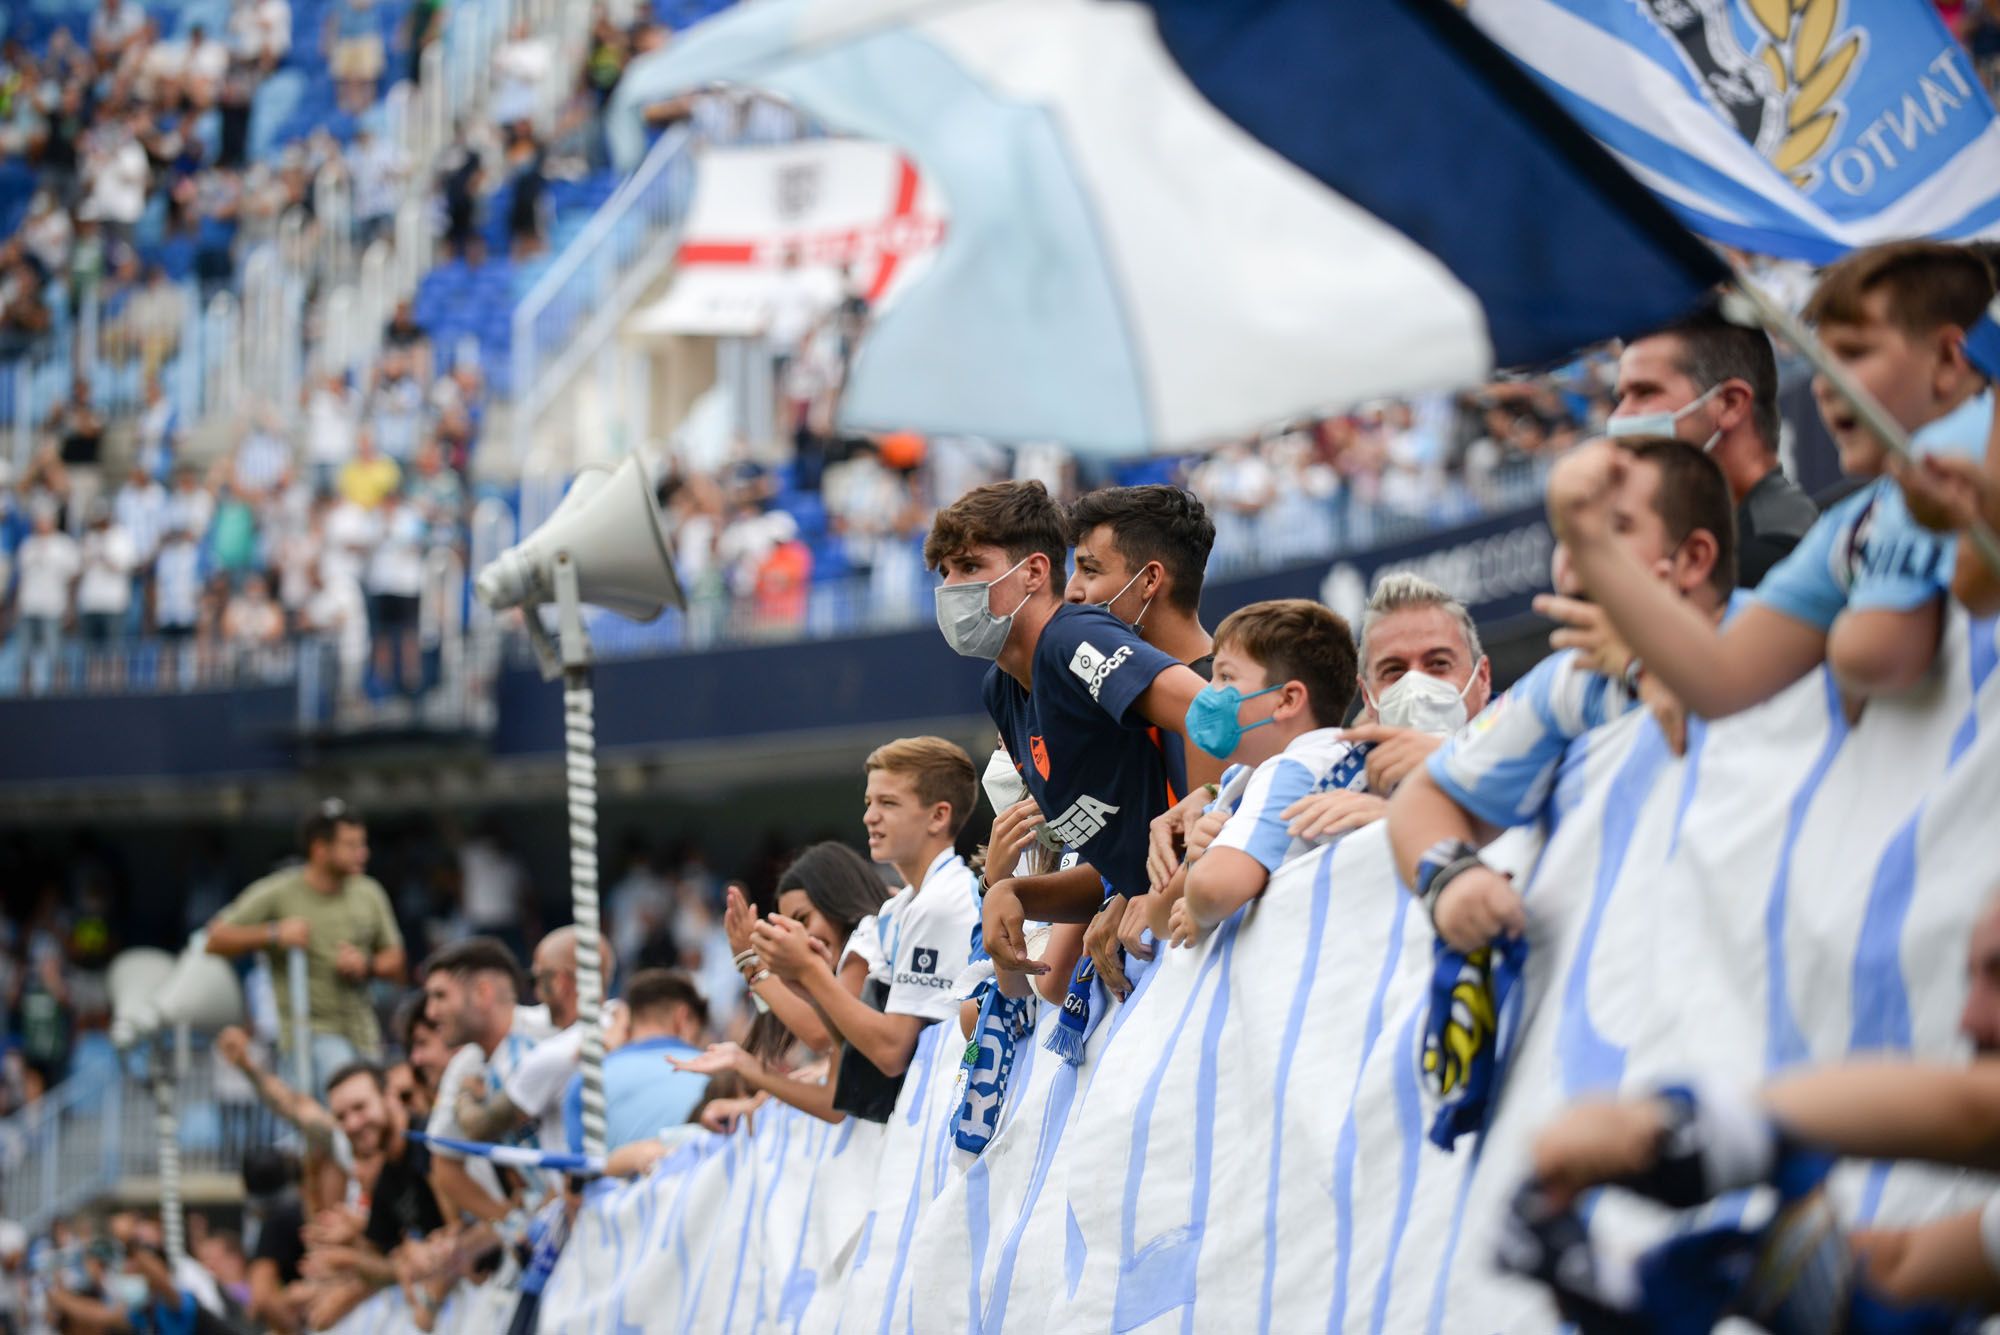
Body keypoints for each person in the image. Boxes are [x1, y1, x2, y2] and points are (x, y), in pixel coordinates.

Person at [1551, 241, 1992, 728]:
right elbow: (1723, 679)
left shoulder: (1788, 531)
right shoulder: (1851, 526)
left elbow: (1916, 628)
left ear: (1950, 359)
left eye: (1854, 353)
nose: (1825, 385)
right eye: (1821, 360)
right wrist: (1588, 536)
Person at [1387, 437, 1737, 953]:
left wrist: (1654, 662)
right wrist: (1453, 881)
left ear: (1693, 559)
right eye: (1567, 535)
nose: (1575, 560)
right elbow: (1425, 800)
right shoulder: (1572, 682)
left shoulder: (1779, 637)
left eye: (1613, 529)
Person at [923, 480, 1216, 1002]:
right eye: (944, 573)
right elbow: (1114, 854)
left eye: (969, 568)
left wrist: (1197, 863)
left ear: (1034, 571)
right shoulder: (1003, 689)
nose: (951, 589)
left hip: (1206, 921)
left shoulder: (1070, 638)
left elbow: (1207, 710)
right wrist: (1013, 892)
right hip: (1163, 938)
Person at [1064, 484, 1223, 986]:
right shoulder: (1130, 705)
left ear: (1149, 579)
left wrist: (1154, 894)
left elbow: (1224, 843)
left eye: (1090, 570)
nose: (1073, 591)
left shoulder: (1223, 697)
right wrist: (1123, 891)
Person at [748, 738, 980, 1083]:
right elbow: (848, 1040)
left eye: (888, 803)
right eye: (869, 802)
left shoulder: (941, 902)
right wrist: (807, 980)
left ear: (938, 816)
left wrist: (809, 971)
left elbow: (890, 1053)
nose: (869, 817)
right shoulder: (898, 907)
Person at [1155, 599, 1362, 947]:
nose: (1209, 693)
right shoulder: (1241, 777)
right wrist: (1194, 860)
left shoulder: (1295, 767)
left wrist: (1198, 899)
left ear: (1286, 700)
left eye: (1225, 677)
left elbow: (1213, 890)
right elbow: (1159, 922)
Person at [685, 842, 897, 1123]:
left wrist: (752, 965)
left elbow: (819, 1030)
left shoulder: (867, 938)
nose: (800, 936)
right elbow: (834, 1106)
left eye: (803, 919)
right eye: (789, 926)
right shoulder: (842, 966)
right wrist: (748, 1067)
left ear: (838, 899)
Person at [1609, 304, 1817, 588]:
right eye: (1621, 397)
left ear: (1730, 403)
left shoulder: (1773, 553)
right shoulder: (1725, 542)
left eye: (1645, 392)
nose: (1619, 417)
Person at [206, 801, 406, 1093]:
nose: (363, 853)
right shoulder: (279, 891)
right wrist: (274, 933)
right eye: (351, 845)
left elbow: (396, 960)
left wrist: (366, 965)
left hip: (364, 1033)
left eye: (362, 844)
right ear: (320, 848)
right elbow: (215, 938)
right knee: (346, 1104)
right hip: (310, 1036)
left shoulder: (368, 892)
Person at [450, 927, 611, 1172]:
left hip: (579, 1194)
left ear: (559, 982)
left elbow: (480, 1126)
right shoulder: (621, 1022)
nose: (536, 993)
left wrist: (465, 1094)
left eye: (537, 979)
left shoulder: (554, 1055)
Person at [421, 936, 548, 1223]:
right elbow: (444, 1163)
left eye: (440, 996)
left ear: (483, 993)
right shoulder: (464, 1067)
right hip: (548, 1218)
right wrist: (512, 1222)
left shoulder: (549, 1031)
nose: (431, 1012)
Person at [564, 968, 710, 1153]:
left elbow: (580, 1168)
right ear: (682, 1018)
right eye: (698, 1035)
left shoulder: (588, 1079)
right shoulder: (719, 1074)